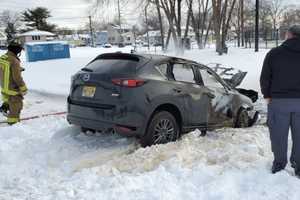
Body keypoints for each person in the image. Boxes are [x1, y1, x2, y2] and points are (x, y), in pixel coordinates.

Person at [260, 25, 300, 177]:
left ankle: (279, 164)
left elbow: (265, 77)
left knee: (278, 135)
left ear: (288, 35)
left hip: (279, 102)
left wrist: (267, 95)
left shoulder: (274, 53)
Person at [0, 41, 27, 125]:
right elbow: (17, 78)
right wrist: (23, 88)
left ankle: (4, 108)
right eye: (19, 50)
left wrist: (18, 68)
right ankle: (13, 123)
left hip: (4, 85)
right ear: (17, 50)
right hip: (12, 87)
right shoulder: (14, 61)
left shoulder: (3, 57)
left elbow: (5, 69)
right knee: (16, 104)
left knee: (8, 99)